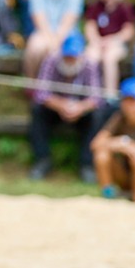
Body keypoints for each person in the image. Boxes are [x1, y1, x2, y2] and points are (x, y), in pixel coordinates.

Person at [28, 32, 102, 180]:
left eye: (73, 56)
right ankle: (42, 160)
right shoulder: (51, 60)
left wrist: (80, 108)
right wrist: (61, 105)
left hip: (81, 112)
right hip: (54, 110)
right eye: (67, 55)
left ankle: (87, 164)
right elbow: (41, 93)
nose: (70, 60)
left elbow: (96, 98)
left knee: (97, 116)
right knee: (37, 110)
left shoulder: (90, 64)